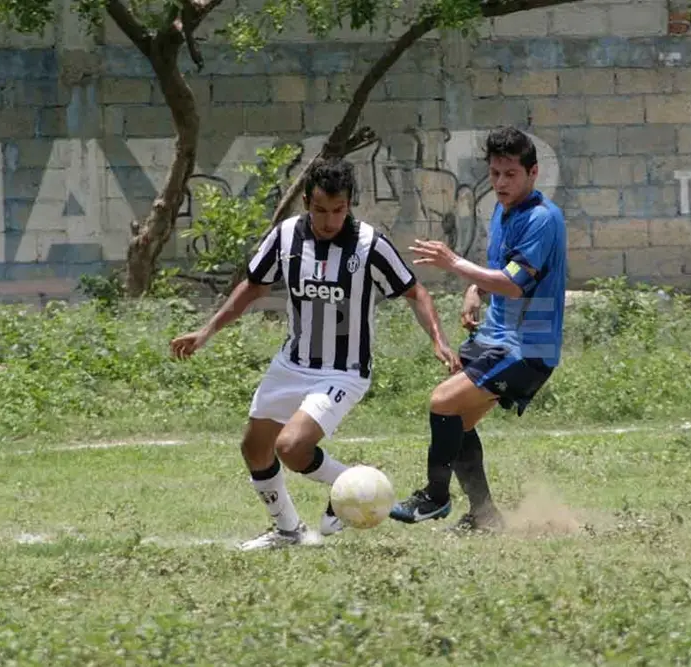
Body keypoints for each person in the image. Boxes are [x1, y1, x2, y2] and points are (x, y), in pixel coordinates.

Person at [170, 156, 460, 551]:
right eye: (320, 209)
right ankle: (287, 530)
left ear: (349, 205)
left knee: (291, 447)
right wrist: (207, 330)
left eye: (338, 210)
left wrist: (438, 340)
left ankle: (355, 486)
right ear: (306, 201)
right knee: (254, 448)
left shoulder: (369, 244)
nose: (329, 220)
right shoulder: (286, 236)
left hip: (344, 371)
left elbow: (415, 292)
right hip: (292, 363)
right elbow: (253, 286)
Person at [388, 125, 567, 532]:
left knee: (442, 401)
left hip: (527, 348)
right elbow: (501, 269)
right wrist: (473, 288)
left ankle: (434, 498)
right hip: (494, 338)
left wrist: (454, 265)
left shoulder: (542, 219)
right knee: (459, 423)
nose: (501, 183)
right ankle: (485, 517)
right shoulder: (505, 213)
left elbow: (512, 282)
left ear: (533, 173)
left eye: (511, 175)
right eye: (495, 174)